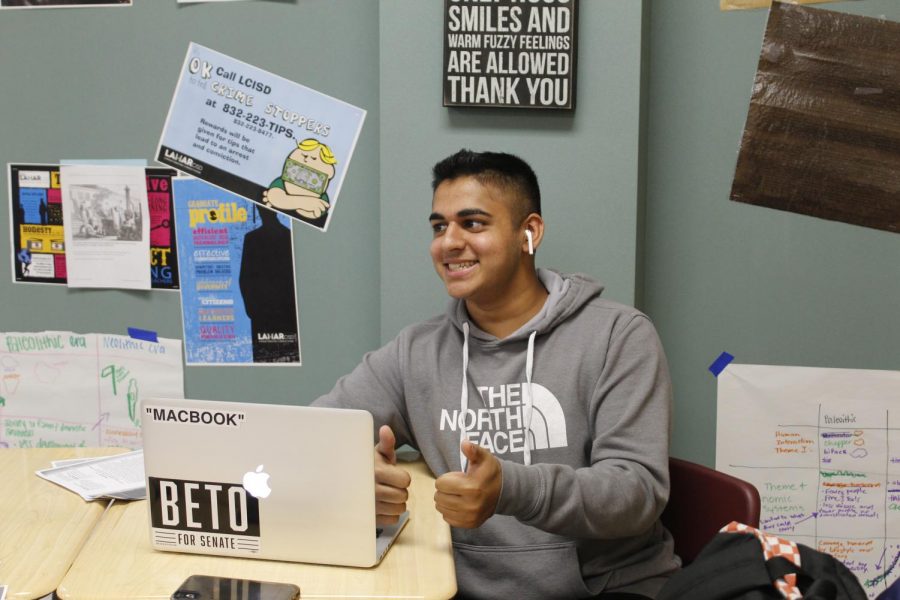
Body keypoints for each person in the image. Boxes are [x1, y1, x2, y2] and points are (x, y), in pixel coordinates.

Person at [313, 149, 679, 599]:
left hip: (606, 589)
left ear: (529, 232)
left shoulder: (618, 335)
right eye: (438, 226)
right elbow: (313, 436)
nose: (448, 242)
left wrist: (510, 488)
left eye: (472, 223)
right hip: (459, 590)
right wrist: (350, 472)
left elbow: (636, 492)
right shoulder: (416, 352)